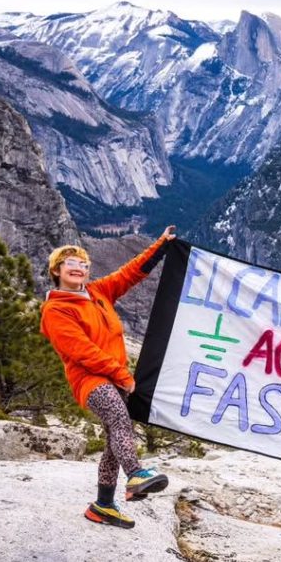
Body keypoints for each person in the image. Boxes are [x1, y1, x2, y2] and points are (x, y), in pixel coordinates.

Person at [40, 226, 177, 530]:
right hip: (91, 381)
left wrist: (161, 246)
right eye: (70, 263)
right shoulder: (55, 310)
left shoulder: (98, 293)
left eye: (83, 264)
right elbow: (82, 351)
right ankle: (136, 474)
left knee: (111, 444)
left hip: (114, 379)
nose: (78, 268)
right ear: (56, 270)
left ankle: (103, 505)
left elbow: (129, 273)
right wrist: (121, 375)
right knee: (118, 418)